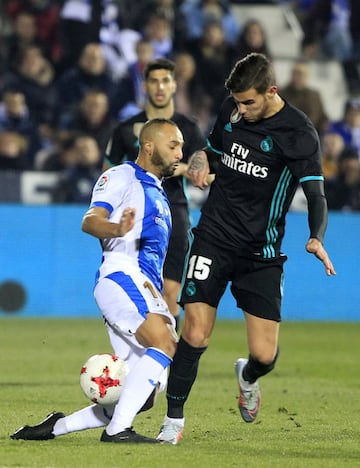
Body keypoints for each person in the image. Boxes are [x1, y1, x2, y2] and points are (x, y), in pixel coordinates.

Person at [156, 53, 336, 445]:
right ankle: (172, 421)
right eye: (236, 102)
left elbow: (316, 194)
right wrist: (201, 161)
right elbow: (212, 149)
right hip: (214, 237)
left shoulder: (299, 133)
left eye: (248, 102)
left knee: (265, 355)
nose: (240, 110)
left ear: (271, 91)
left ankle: (248, 376)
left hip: (261, 251)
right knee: (196, 332)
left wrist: (315, 236)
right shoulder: (233, 110)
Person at [10, 118, 184, 443]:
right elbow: (90, 221)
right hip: (121, 276)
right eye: (173, 145)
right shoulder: (121, 176)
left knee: (143, 395)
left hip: (145, 286)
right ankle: (117, 431)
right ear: (149, 146)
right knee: (165, 343)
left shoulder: (158, 190)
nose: (179, 153)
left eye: (181, 147)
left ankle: (56, 426)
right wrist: (116, 229)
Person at [105, 58, 206, 331]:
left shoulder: (189, 128)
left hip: (173, 212)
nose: (160, 87)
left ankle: (164, 367)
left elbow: (203, 169)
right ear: (145, 85)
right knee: (137, 293)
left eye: (165, 80)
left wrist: (190, 170)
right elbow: (108, 172)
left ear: (174, 85)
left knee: (169, 296)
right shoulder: (126, 129)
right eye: (153, 80)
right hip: (134, 216)